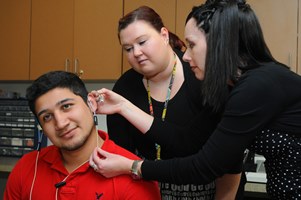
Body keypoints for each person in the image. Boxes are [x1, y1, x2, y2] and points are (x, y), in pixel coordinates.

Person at [89, 0, 301, 199]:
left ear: (218, 43)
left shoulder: (256, 87)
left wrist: (132, 167)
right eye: (128, 48)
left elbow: (204, 167)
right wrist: (122, 106)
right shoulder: (235, 88)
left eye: (191, 45)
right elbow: (186, 141)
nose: (186, 55)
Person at [92, 5, 242, 200]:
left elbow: (229, 161)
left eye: (142, 42)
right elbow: (122, 156)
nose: (136, 53)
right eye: (128, 49)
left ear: (163, 35)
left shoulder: (201, 75)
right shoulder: (123, 89)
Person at [3, 71, 161, 200]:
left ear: (91, 103)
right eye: (47, 117)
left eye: (66, 106)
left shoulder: (132, 174)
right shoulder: (27, 168)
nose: (60, 123)